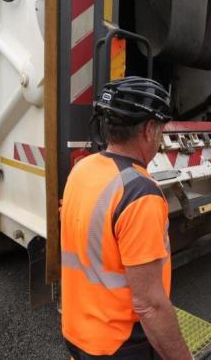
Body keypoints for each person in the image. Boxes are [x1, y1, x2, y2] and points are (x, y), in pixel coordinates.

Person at [60, 76, 192, 360]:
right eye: (160, 130)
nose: (160, 138)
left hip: (78, 333)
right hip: (120, 346)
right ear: (148, 130)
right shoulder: (139, 193)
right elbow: (150, 306)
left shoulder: (82, 170)